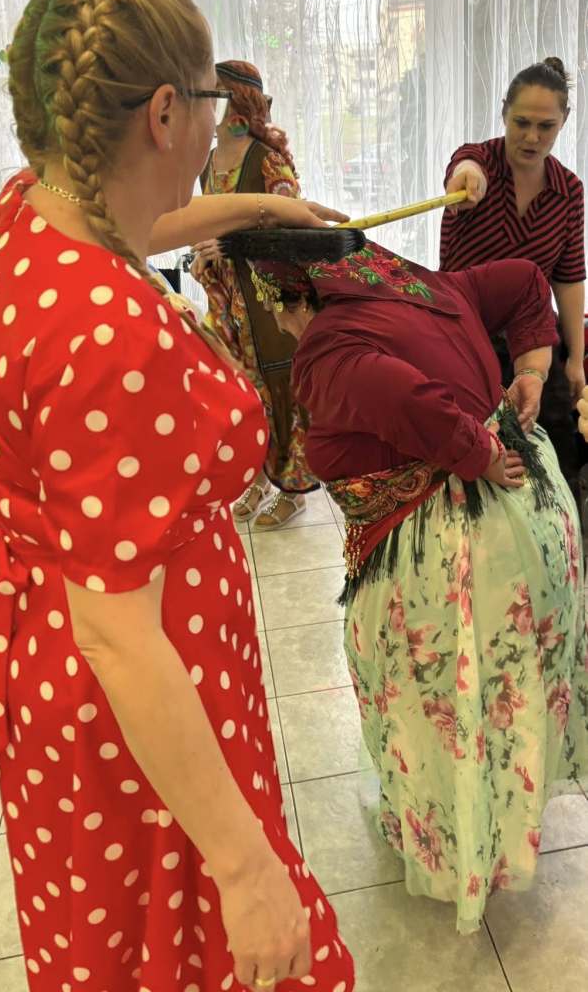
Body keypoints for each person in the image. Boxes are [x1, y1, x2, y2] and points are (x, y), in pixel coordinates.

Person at [0, 0, 354, 992]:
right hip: (143, 704)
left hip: (59, 671)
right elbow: (118, 632)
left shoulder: (17, 219)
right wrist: (245, 868)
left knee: (110, 945)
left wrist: (258, 207)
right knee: (203, 948)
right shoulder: (106, 333)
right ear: (167, 113)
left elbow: (124, 223)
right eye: (212, 103)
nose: (217, 127)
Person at [222, 226, 588, 934]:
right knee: (502, 691)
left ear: (287, 298)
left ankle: (462, 853)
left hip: (456, 548)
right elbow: (524, 279)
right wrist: (530, 372)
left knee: (443, 700)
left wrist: (474, 452)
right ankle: (496, 830)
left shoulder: (328, 349)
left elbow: (398, 393)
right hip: (530, 523)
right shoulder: (427, 287)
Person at [440, 57, 586, 510]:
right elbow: (464, 167)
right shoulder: (478, 162)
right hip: (465, 341)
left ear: (564, 121)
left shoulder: (569, 191)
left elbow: (568, 278)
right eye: (521, 122)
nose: (532, 137)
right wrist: (466, 180)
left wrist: (575, 359)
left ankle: (562, 538)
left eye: (546, 126)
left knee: (558, 451)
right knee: (474, 463)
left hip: (533, 342)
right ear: (504, 112)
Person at [191, 60, 318, 529]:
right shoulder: (206, 162)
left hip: (268, 298)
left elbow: (290, 229)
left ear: (237, 103)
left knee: (280, 386)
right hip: (226, 298)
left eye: (213, 95)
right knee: (245, 390)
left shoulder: (267, 159)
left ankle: (293, 489)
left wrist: (229, 244)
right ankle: (260, 476)